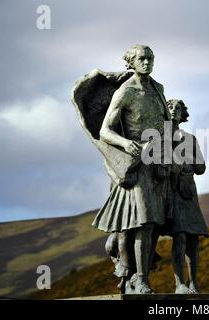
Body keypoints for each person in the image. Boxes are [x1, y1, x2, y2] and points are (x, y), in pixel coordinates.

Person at [92, 45, 172, 294]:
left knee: (155, 225)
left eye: (150, 58)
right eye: (141, 59)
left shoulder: (158, 90)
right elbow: (105, 130)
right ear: (131, 62)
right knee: (140, 223)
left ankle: (138, 275)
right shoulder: (125, 92)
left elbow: (167, 126)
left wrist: (166, 159)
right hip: (135, 164)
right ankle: (138, 278)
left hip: (157, 163)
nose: (147, 62)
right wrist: (126, 143)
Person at [166, 99, 209, 294]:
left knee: (193, 239)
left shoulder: (190, 139)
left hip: (188, 189)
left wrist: (185, 158)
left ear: (184, 114)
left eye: (178, 108)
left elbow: (201, 168)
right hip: (170, 189)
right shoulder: (160, 136)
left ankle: (194, 283)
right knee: (180, 235)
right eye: (170, 107)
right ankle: (179, 284)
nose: (174, 110)